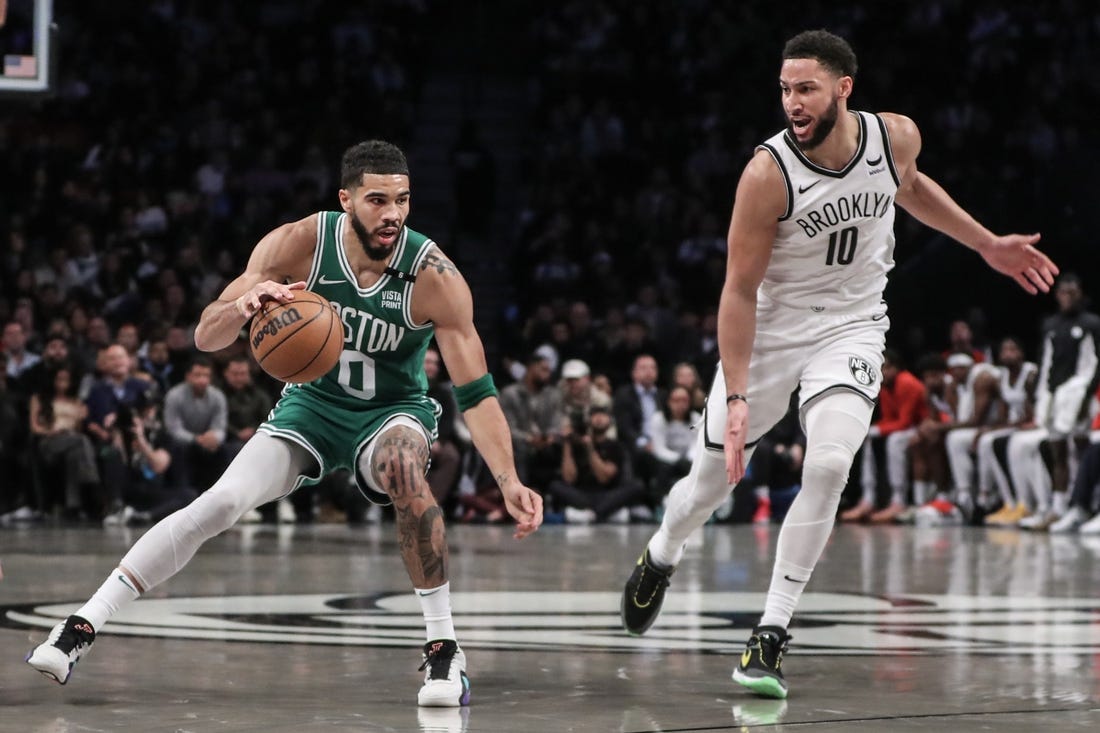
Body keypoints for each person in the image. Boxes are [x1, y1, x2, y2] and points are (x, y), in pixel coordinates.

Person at [619, 30, 1057, 700]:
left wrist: (985, 244)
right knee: (709, 484)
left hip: (852, 326)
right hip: (771, 332)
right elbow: (737, 290)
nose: (792, 102)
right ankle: (663, 550)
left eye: (806, 89)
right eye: (785, 89)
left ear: (843, 88)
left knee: (828, 465)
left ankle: (769, 635)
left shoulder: (895, 137)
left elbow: (908, 186)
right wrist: (736, 395)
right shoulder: (767, 173)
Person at [27, 140, 543, 708]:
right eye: (378, 200)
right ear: (346, 199)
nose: (393, 213)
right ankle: (80, 625)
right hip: (311, 406)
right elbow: (206, 335)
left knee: (402, 465)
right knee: (221, 504)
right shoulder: (300, 242)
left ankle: (445, 649)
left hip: (392, 411)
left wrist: (508, 480)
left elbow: (477, 391)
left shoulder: (434, 275)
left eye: (403, 200)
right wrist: (246, 306)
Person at [842, 349, 927, 523]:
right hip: (906, 427)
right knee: (868, 439)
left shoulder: (907, 382)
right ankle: (868, 498)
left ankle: (898, 500)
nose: (882, 372)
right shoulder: (885, 386)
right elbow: (889, 419)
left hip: (921, 427)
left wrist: (877, 430)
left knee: (894, 441)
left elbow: (905, 421)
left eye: (886, 368)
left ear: (897, 368)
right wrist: (868, 430)